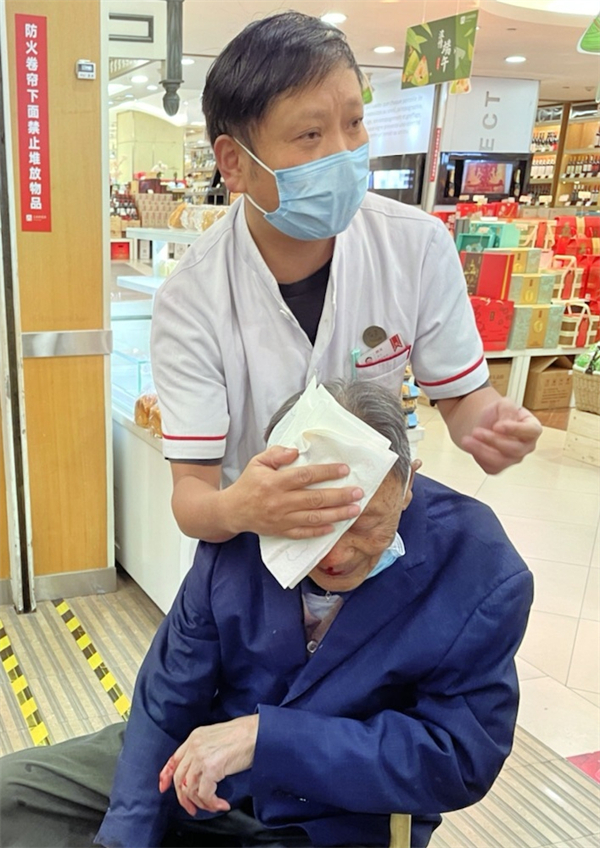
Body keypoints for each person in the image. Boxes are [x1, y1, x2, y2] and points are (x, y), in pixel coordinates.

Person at [0, 381, 533, 848]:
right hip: (199, 771)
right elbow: (168, 696)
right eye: (309, 524)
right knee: (13, 795)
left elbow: (459, 757)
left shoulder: (477, 568)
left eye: (362, 523)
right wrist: (128, 833)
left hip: (338, 812)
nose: (335, 554)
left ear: (408, 483)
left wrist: (267, 739)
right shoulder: (248, 519)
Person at [150, 10, 542, 547]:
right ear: (234, 162)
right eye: (310, 134)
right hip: (257, 543)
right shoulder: (191, 298)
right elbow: (191, 497)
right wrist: (238, 507)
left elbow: (462, 399)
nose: (342, 151)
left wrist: (490, 422)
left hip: (374, 530)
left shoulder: (417, 245)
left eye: (354, 123)